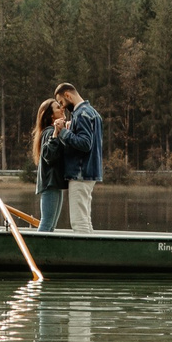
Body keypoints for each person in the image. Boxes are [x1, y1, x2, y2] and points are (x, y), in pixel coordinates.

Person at [50, 83, 105, 232]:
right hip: (90, 172)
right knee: (85, 220)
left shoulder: (81, 114)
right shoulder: (93, 113)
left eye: (61, 102)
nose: (62, 107)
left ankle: (85, 253)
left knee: (78, 222)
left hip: (80, 173)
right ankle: (90, 252)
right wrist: (70, 129)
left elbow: (85, 143)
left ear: (68, 95)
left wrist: (62, 132)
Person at [31, 97, 67, 231]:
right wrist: (56, 133)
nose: (62, 108)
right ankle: (37, 250)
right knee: (47, 223)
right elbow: (49, 156)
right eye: (58, 107)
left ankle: (44, 251)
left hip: (55, 183)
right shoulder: (48, 132)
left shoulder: (54, 131)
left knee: (51, 225)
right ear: (51, 115)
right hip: (49, 183)